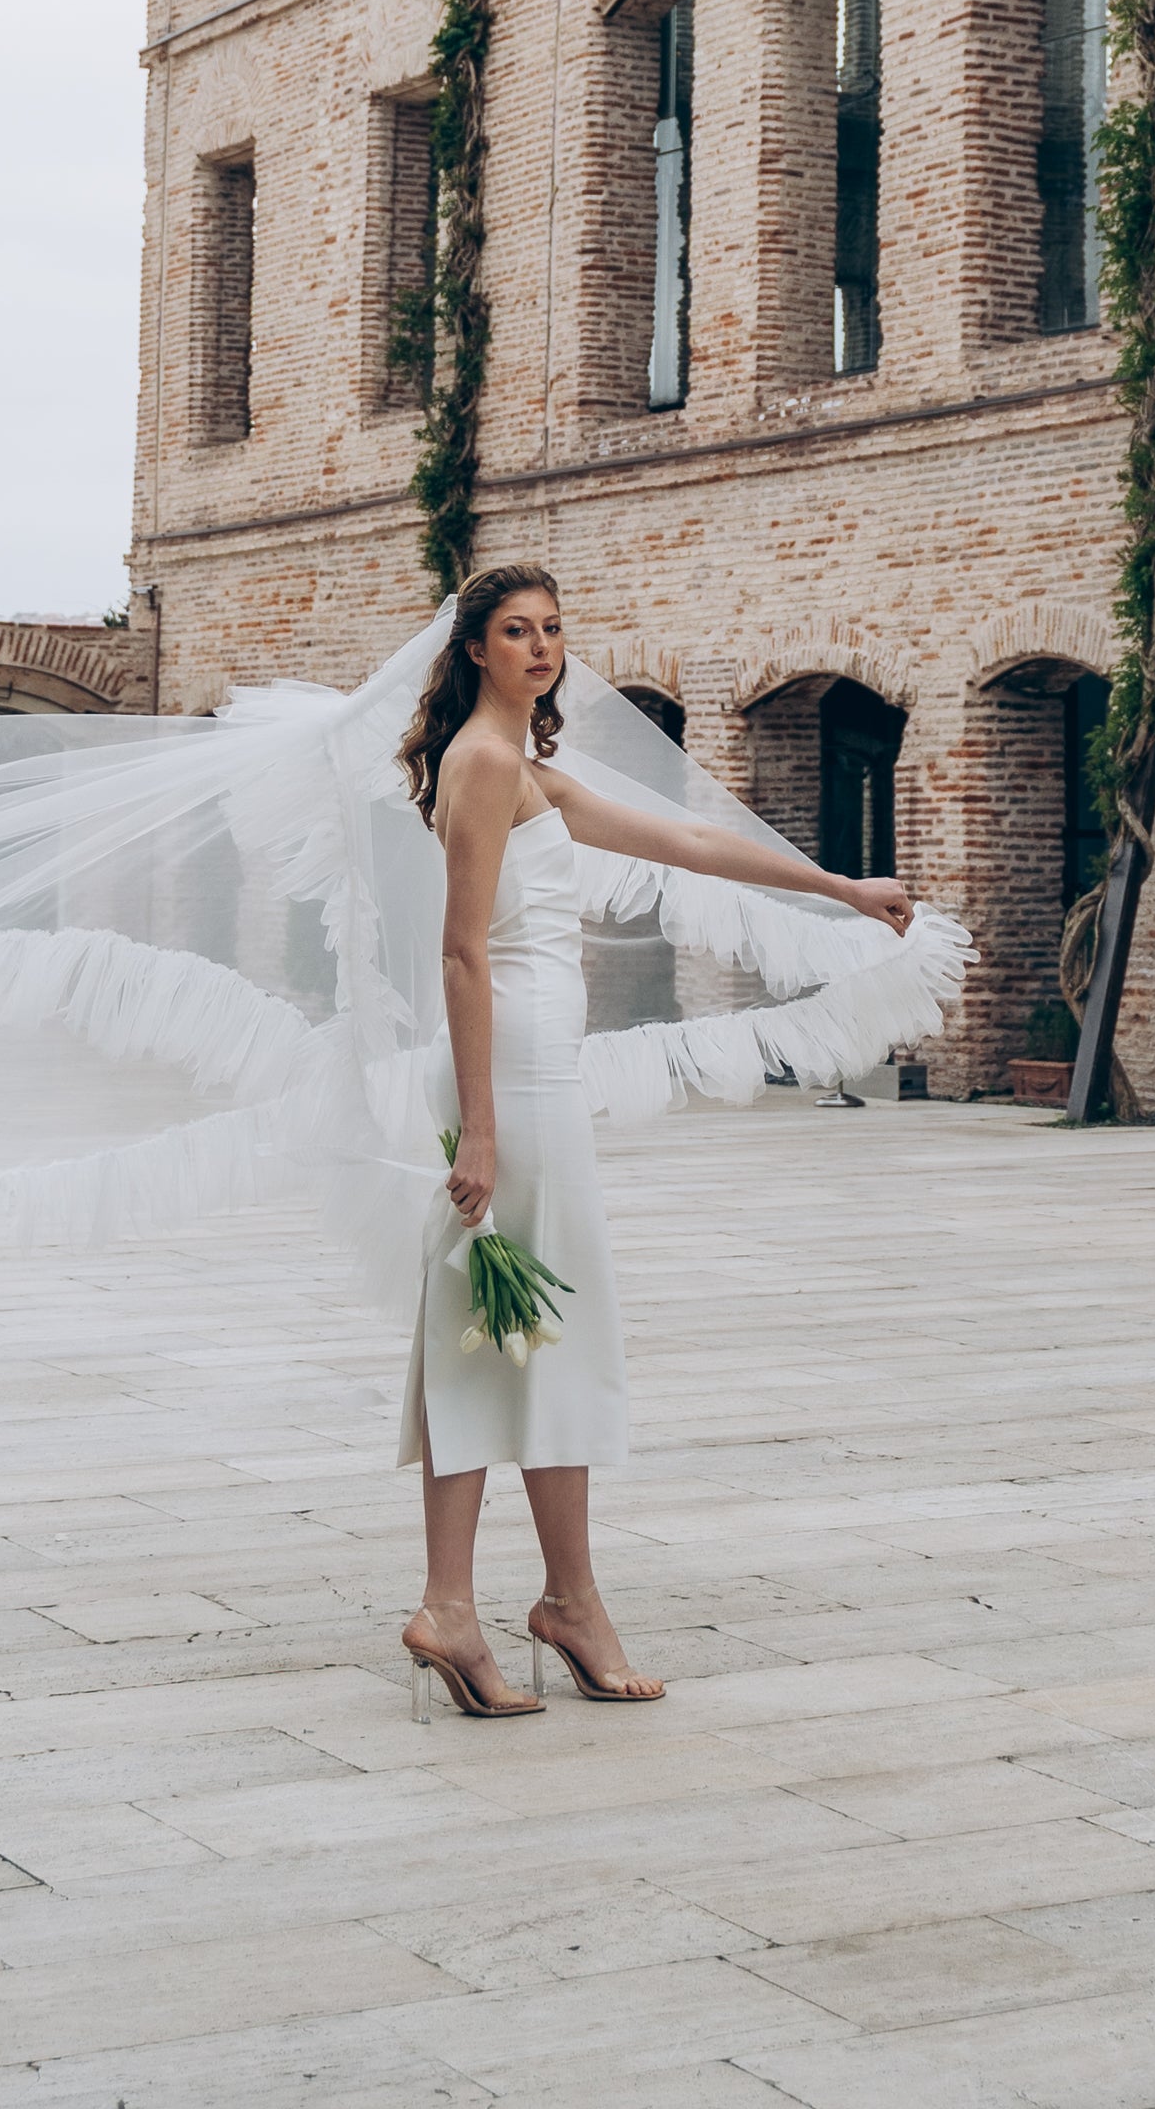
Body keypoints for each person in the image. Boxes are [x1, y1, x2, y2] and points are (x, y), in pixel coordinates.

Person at [393, 563, 913, 1718]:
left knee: (517, 1322)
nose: (542, 647)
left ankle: (514, 1602)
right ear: (475, 649)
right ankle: (492, 1603)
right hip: (509, 1076)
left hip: (534, 1070)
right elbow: (461, 953)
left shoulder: (524, 767)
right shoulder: (483, 764)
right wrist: (479, 1129)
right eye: (517, 631)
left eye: (554, 630)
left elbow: (688, 841)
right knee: (505, 1324)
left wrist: (837, 885)